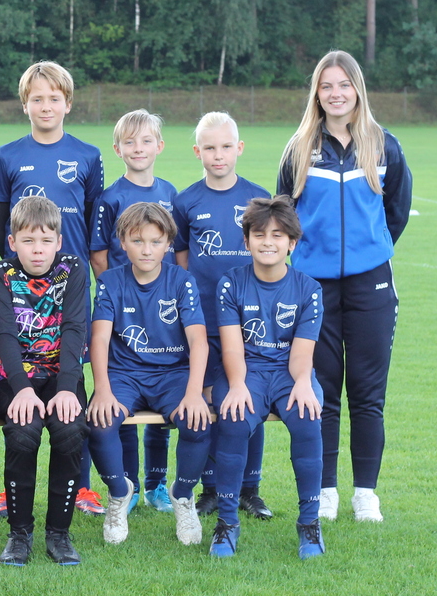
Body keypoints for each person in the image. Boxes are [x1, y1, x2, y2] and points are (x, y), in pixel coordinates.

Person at [278, 50, 412, 522]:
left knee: (368, 393)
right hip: (314, 289)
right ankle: (328, 490)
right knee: (322, 390)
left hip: (371, 286)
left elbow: (395, 212)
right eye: (326, 86)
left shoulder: (383, 145)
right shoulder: (298, 148)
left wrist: (366, 253)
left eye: (344, 85)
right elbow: (283, 215)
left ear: (358, 88)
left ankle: (366, 494)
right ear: (317, 92)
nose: (336, 94)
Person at [0, 60, 104, 516]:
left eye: (54, 98)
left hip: (70, 289)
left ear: (68, 104)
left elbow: (95, 220)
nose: (45, 105)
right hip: (25, 290)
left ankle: (85, 484)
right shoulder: (8, 155)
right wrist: (27, 270)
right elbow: (0, 228)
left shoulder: (88, 155)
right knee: (14, 384)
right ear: (24, 105)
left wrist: (65, 269)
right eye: (37, 98)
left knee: (73, 382)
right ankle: (9, 488)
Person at [87, 202, 210, 546]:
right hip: (124, 373)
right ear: (122, 242)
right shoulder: (111, 281)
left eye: (156, 242)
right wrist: (102, 389)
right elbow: (99, 338)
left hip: (172, 374)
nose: (146, 249)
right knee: (99, 421)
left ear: (169, 244)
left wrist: (194, 392)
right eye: (138, 241)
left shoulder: (181, 280)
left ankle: (183, 495)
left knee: (197, 420)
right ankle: (118, 492)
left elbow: (198, 341)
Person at [210, 195, 325, 559]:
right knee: (232, 417)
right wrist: (239, 385)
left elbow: (301, 354)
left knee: (308, 419)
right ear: (246, 241)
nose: (268, 242)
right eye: (259, 234)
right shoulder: (230, 283)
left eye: (278, 235)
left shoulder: (308, 288)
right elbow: (232, 349)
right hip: (245, 372)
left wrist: (304, 384)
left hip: (289, 373)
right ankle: (227, 524)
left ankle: (309, 524)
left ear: (291, 243)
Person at [173, 111, 273, 519]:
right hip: (203, 324)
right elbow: (180, 266)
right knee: (211, 403)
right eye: (210, 148)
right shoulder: (186, 201)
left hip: (247, 324)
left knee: (248, 400)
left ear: (240, 148)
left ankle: (250, 488)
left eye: (226, 146)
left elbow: (269, 261)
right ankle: (212, 487)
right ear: (197, 151)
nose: (218, 155)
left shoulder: (258, 198)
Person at [0, 196, 88, 566]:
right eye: (28, 241)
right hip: (13, 375)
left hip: (61, 371)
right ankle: (19, 534)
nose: (37, 249)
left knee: (69, 430)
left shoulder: (73, 269)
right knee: (24, 431)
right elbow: (4, 335)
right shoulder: (1, 272)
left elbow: (76, 328)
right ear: (12, 242)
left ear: (58, 243)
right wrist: (22, 389)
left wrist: (66, 388)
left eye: (46, 241)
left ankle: (59, 534)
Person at [89, 109, 176, 515]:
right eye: (130, 142)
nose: (138, 149)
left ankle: (159, 483)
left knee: (161, 406)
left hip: (166, 314)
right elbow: (99, 253)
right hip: (125, 309)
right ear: (117, 148)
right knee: (122, 405)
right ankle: (130, 484)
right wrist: (125, 295)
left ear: (159, 146)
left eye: (146, 141)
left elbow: (180, 253)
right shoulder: (110, 197)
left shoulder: (171, 193)